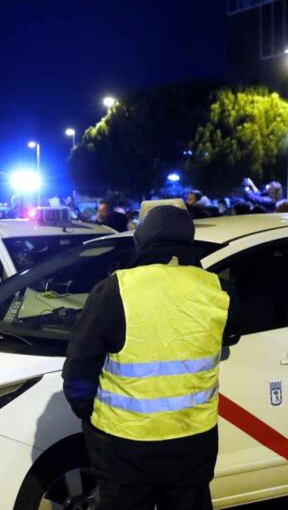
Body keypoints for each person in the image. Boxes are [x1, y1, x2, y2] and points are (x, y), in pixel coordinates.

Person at [62, 206, 239, 510]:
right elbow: (232, 332)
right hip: (193, 443)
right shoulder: (218, 290)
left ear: (141, 241)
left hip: (124, 447)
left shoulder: (115, 290)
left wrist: (90, 416)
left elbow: (78, 370)